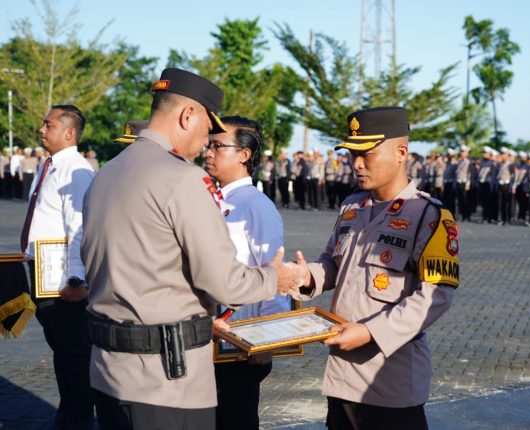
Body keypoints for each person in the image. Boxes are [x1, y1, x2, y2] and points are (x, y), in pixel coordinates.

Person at [81, 68, 300, 430]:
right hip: (166, 379)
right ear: (187, 116)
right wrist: (276, 279)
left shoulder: (107, 172)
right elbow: (224, 283)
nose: (205, 144)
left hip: (109, 369)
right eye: (207, 131)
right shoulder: (183, 178)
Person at [287, 106, 458, 430]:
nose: (357, 164)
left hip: (389, 380)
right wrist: (305, 275)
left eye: (367, 154)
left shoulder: (428, 215)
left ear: (401, 153)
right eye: (353, 154)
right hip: (342, 378)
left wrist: (370, 332)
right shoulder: (352, 206)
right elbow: (334, 263)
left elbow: (435, 296)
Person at [204, 116, 290, 430]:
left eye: (218, 146)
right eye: (208, 145)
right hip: (208, 337)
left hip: (238, 343)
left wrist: (266, 342)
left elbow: (274, 274)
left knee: (236, 419)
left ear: (243, 154)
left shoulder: (256, 205)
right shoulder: (211, 198)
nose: (209, 152)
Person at [21, 105, 96, 429]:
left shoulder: (76, 170)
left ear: (69, 132)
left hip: (65, 280)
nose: (41, 129)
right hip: (43, 274)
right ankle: (69, 414)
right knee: (62, 349)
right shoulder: (49, 165)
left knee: (75, 354)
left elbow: (79, 227)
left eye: (48, 124)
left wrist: (77, 279)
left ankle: (77, 419)